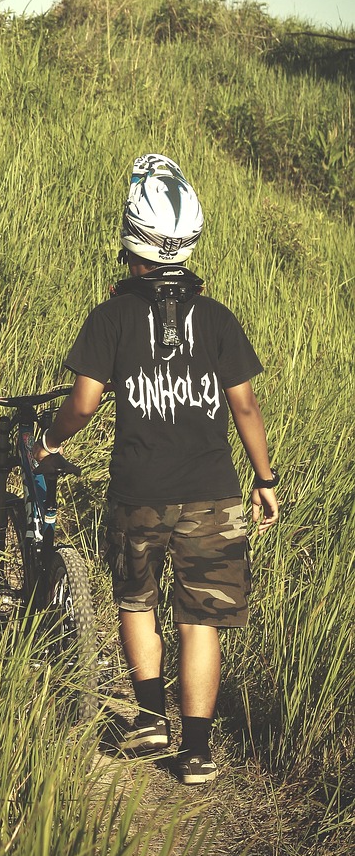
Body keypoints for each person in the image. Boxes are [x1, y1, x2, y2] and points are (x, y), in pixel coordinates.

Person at [32, 153, 279, 785]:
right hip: (215, 495)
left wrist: (49, 443)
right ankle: (196, 753)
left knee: (135, 599)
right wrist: (266, 479)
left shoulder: (111, 317)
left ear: (129, 240)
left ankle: (149, 719)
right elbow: (244, 405)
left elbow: (84, 404)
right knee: (202, 620)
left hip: (138, 491)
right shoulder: (218, 318)